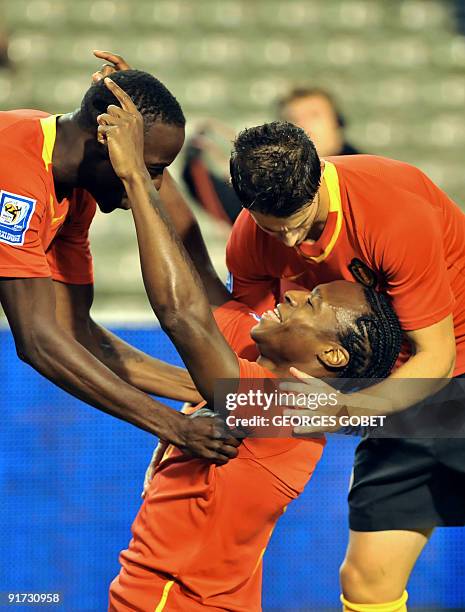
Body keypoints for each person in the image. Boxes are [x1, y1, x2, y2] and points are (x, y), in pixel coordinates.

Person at [96, 78, 403, 612]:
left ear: (332, 355)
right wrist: (144, 139)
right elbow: (189, 249)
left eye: (312, 304)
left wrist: (133, 180)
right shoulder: (259, 354)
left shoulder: (288, 411)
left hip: (171, 600)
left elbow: (182, 314)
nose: (295, 294)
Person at [225, 121, 465, 611]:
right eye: (274, 227)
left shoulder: (391, 211)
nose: (289, 240)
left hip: (447, 371)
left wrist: (343, 413)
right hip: (400, 394)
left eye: (298, 221)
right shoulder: (251, 237)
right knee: (365, 582)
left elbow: (436, 357)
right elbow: (252, 343)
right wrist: (202, 409)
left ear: (318, 180)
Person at [0, 50, 238, 464]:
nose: (154, 186)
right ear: (106, 141)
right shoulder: (15, 175)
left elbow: (74, 332)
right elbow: (38, 340)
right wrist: (174, 426)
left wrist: (210, 391)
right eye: (151, 169)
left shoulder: (74, 191)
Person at [277, 86, 360, 157]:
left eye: (313, 115)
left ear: (337, 122)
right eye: (293, 118)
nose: (303, 124)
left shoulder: (365, 172)